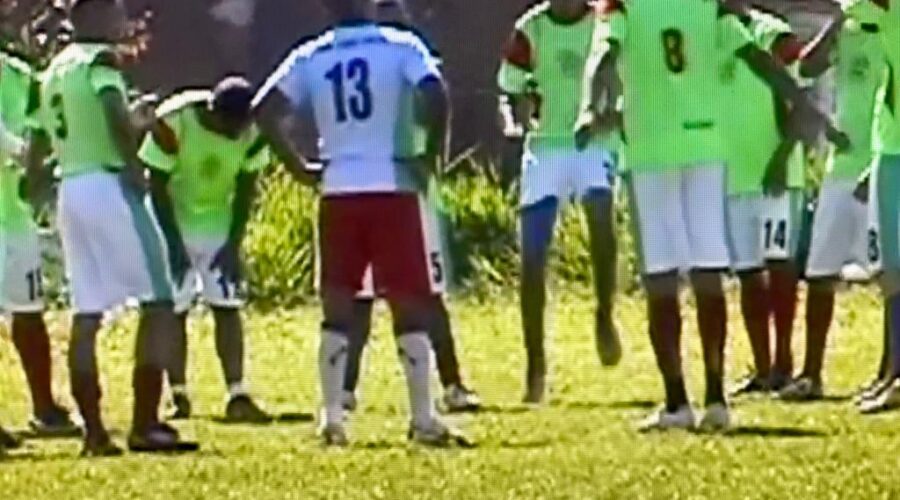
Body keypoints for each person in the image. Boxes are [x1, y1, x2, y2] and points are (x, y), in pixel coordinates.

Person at [584, 0, 834, 431]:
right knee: (708, 274)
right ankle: (716, 399)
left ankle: (677, 403)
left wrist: (590, 107)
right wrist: (804, 105)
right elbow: (757, 57)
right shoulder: (710, 6)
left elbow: (603, 57)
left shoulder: (625, 7)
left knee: (661, 279)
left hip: (651, 151)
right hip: (706, 151)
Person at [254, 0, 458, 446]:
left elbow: (264, 108)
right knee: (408, 299)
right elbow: (435, 92)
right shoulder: (401, 45)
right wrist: (429, 157)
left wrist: (297, 165)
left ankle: (331, 418)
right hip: (392, 185)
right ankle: (422, 417)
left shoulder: (313, 54)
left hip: (338, 187)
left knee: (338, 305)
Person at [32, 0, 196, 455]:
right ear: (94, 15)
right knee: (159, 301)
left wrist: (36, 179)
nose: (121, 19)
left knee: (87, 313)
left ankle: (95, 431)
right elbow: (112, 112)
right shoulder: (100, 61)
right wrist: (135, 154)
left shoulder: (54, 70)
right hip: (109, 184)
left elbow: (43, 134)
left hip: (72, 188)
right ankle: (146, 423)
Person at [342, 0, 481, 414]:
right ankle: (346, 391)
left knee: (423, 293)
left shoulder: (411, 62)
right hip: (388, 191)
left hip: (406, 192)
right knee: (365, 299)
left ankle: (452, 384)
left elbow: (436, 105)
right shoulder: (398, 61)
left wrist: (431, 160)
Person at [497, 0, 622, 404]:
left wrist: (613, 117)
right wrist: (513, 124)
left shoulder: (604, 21)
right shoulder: (530, 28)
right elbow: (508, 89)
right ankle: (535, 363)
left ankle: (604, 312)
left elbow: (624, 78)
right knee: (533, 257)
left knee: (601, 222)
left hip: (593, 142)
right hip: (546, 148)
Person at [140, 78, 272, 423]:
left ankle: (237, 393)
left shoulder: (251, 129)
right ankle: (178, 394)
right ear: (213, 113)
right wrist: (173, 246)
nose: (235, 134)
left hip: (217, 224)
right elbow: (156, 184)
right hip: (171, 220)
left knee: (227, 307)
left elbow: (246, 188)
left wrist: (233, 244)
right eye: (231, 126)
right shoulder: (175, 120)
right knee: (174, 311)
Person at [781, 0, 888, 402]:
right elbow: (807, 68)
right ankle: (811, 374)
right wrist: (836, 24)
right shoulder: (847, 28)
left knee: (887, 275)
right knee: (820, 272)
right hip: (838, 168)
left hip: (879, 164)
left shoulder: (890, 29)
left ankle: (887, 371)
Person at [717, 1, 813, 397]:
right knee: (748, 275)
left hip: (776, 177)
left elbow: (801, 106)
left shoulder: (774, 34)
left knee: (780, 270)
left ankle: (784, 361)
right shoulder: (706, 35)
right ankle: (761, 368)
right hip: (731, 178)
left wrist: (781, 158)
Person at [0, 0, 79, 436]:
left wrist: (36, 165)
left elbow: (41, 132)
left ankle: (45, 407)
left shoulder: (20, 76)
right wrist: (18, 152)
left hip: (15, 216)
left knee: (28, 312)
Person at [854, 0, 900, 414]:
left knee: (895, 271)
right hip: (889, 148)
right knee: (891, 271)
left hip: (896, 151)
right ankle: (892, 372)